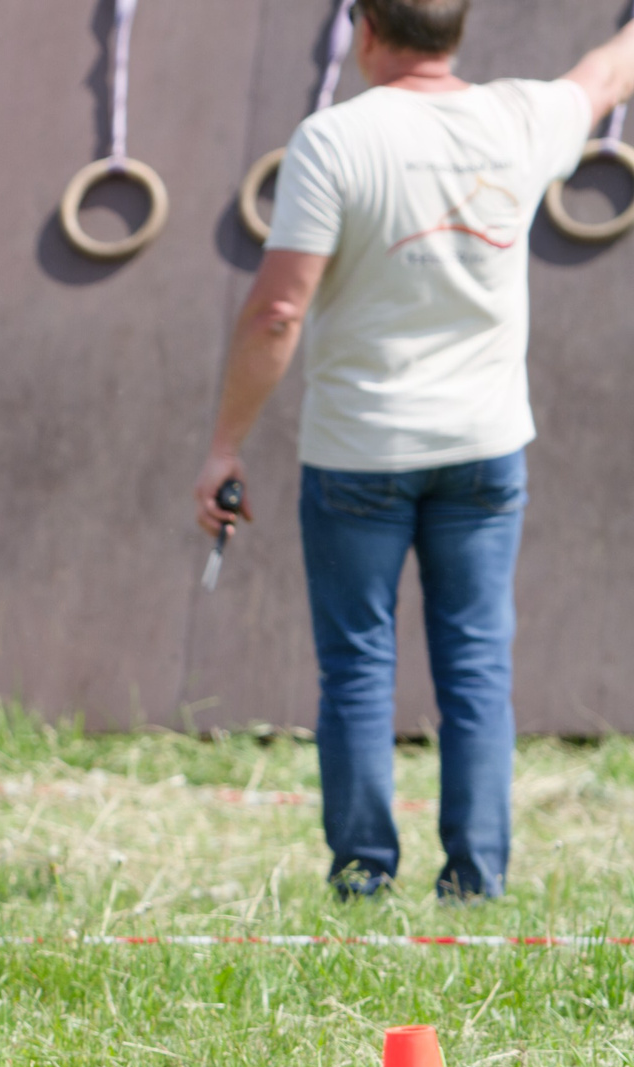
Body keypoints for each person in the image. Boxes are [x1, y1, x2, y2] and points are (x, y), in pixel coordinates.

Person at [193, 0, 634, 901]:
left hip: (360, 450)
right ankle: (476, 881)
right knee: (476, 662)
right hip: (484, 447)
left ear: (364, 29)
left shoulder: (334, 140)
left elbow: (278, 312)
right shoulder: (518, 118)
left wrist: (224, 445)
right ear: (457, 30)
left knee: (358, 662)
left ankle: (363, 877)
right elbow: (608, 75)